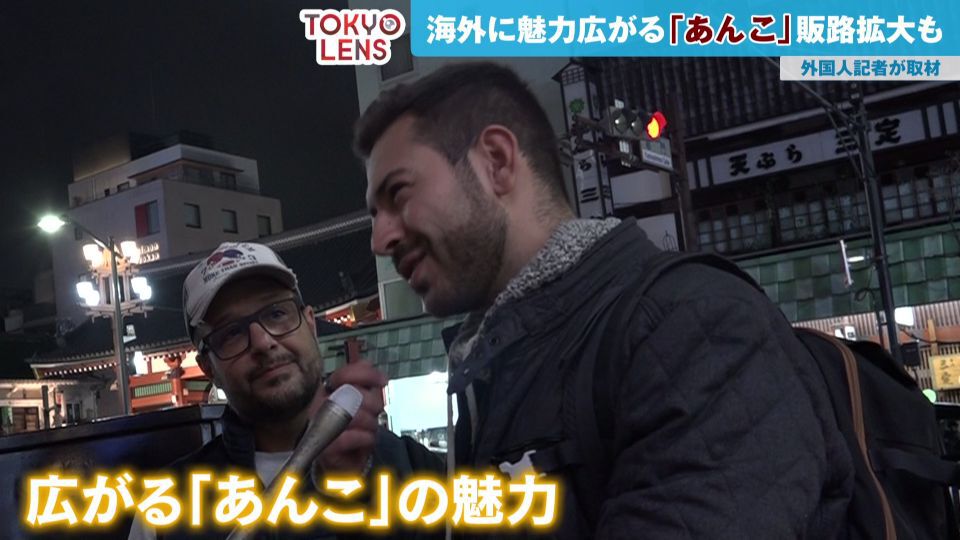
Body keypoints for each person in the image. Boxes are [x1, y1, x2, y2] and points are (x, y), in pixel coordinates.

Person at [354, 62, 854, 538]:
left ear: (497, 162)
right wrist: (363, 460)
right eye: (374, 214)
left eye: (399, 194)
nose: (379, 240)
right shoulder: (505, 361)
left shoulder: (694, 327)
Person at [129, 241, 442, 540]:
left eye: (276, 313)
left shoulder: (417, 470)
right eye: (231, 333)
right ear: (209, 368)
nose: (263, 342)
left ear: (310, 324)